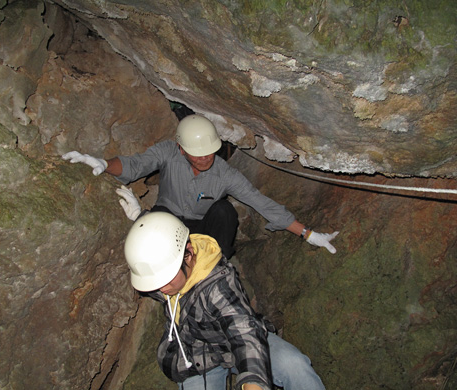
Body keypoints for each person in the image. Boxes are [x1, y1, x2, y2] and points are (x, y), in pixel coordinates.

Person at [62, 114, 339, 258]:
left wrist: (308, 234)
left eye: (210, 150)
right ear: (182, 149)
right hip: (165, 219)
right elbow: (136, 165)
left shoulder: (224, 174)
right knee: (159, 226)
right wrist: (102, 162)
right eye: (198, 151)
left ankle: (214, 265)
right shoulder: (169, 152)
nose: (206, 156)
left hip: (199, 229)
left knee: (225, 211)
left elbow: (260, 202)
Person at [123, 211, 326, 390]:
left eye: (165, 278)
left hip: (233, 340)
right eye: (153, 284)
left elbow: (243, 331)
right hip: (197, 355)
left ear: (189, 254)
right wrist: (141, 216)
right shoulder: (167, 258)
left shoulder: (218, 285)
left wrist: (254, 382)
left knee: (295, 366)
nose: (161, 289)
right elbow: (157, 238)